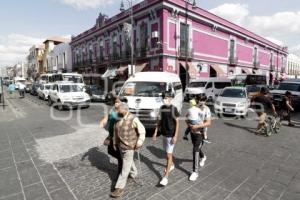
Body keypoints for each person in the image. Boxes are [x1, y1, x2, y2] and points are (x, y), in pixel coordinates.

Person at [110, 103, 146, 198]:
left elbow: (142, 131)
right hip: (121, 146)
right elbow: (115, 130)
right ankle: (134, 173)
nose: (116, 111)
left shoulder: (133, 118)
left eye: (118, 109)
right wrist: (114, 142)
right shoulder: (118, 117)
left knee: (125, 168)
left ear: (124, 110)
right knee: (128, 162)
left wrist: (140, 142)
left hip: (130, 146)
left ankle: (119, 188)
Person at [152, 92, 180, 186]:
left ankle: (165, 177)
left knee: (168, 156)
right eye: (164, 97)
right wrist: (156, 132)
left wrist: (175, 136)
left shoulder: (173, 109)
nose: (165, 99)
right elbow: (159, 120)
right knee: (167, 153)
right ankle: (171, 165)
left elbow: (177, 123)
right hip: (164, 134)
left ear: (170, 98)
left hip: (171, 135)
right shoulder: (162, 108)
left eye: (167, 97)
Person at [189, 95, 212, 181]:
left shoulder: (207, 109)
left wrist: (198, 126)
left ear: (205, 101)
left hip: (201, 133)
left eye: (203, 100)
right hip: (192, 132)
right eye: (199, 100)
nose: (201, 102)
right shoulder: (194, 107)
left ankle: (195, 172)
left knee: (195, 149)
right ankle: (203, 156)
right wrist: (190, 125)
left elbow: (208, 123)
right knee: (196, 147)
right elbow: (187, 119)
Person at [99, 97, 123, 175]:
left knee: (120, 157)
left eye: (118, 102)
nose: (116, 103)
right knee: (110, 151)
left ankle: (120, 175)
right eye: (116, 102)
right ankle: (125, 162)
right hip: (111, 135)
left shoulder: (122, 111)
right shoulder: (112, 110)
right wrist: (102, 123)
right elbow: (106, 118)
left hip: (119, 136)